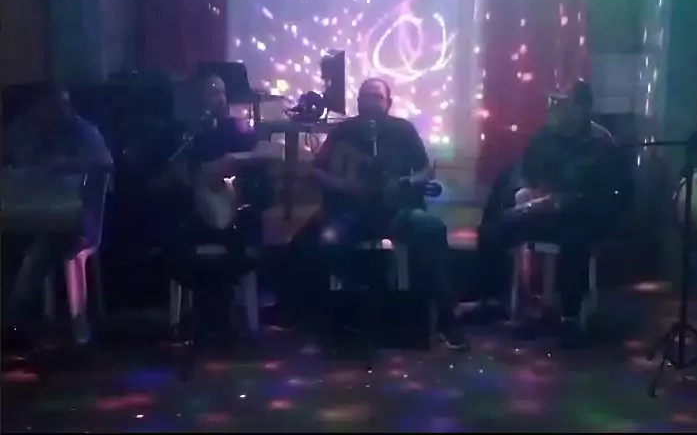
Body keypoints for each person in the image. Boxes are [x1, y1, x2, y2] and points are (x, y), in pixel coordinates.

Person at [291, 78, 468, 350]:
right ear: (357, 102)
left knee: (431, 227)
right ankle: (349, 314)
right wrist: (344, 185)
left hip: (397, 211)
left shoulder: (403, 130)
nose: (371, 103)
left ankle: (447, 317)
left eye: (377, 97)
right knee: (327, 240)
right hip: (351, 213)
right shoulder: (343, 132)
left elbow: (424, 170)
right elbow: (317, 172)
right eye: (366, 97)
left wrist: (410, 182)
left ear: (389, 103)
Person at [476, 79, 622, 347]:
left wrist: (562, 201)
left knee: (574, 241)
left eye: (560, 102)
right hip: (544, 211)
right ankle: (493, 301)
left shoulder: (601, 144)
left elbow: (609, 195)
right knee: (495, 228)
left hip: (585, 216)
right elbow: (525, 172)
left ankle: (570, 318)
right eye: (551, 101)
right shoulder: (544, 137)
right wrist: (524, 192)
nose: (551, 107)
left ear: (580, 109)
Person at [157, 73, 275, 334]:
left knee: (241, 245)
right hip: (197, 217)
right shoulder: (187, 134)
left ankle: (224, 313)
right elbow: (170, 175)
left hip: (235, 217)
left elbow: (269, 152)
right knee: (177, 243)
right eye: (211, 92)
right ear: (198, 100)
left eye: (221, 91)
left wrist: (233, 159)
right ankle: (199, 315)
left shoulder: (238, 127)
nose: (219, 97)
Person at [1, 82, 113, 346]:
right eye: (51, 106)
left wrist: (68, 166)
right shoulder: (22, 131)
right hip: (23, 216)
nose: (60, 111)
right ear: (36, 108)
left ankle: (9, 321)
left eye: (64, 105)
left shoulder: (85, 132)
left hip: (73, 221)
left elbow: (105, 164)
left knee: (37, 255)